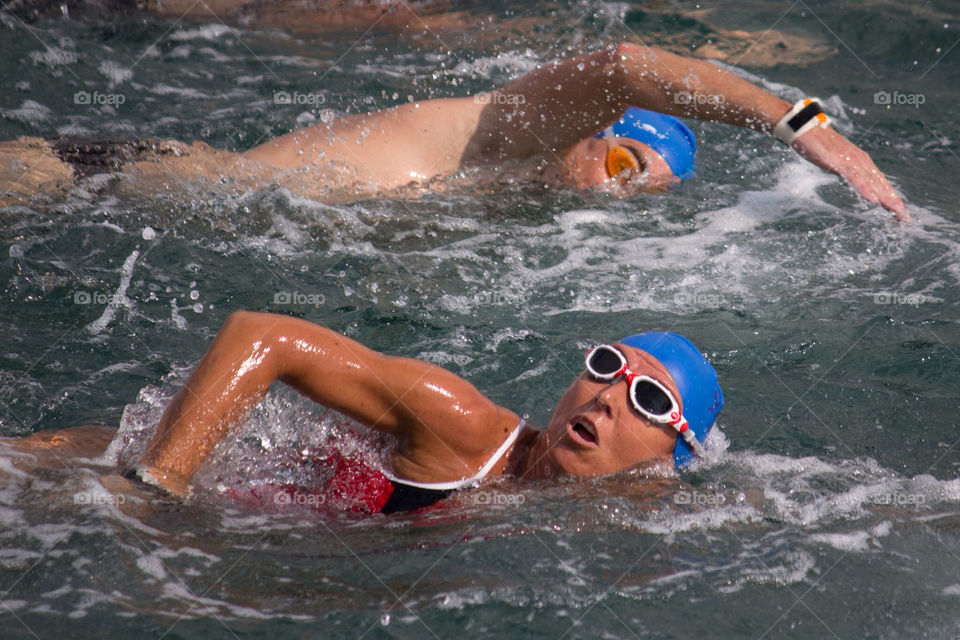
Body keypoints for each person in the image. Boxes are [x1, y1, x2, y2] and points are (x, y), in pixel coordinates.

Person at [2, 42, 907, 219]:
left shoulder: (518, 204)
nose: (609, 188)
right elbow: (629, 63)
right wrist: (801, 121)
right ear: (598, 132)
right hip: (112, 176)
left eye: (637, 195)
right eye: (624, 161)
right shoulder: (504, 130)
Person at [88, 311, 722, 514]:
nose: (607, 397)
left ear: (673, 458)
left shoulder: (629, 520)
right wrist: (156, 492)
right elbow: (260, 335)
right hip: (106, 472)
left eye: (650, 400)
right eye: (607, 366)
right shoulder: (467, 428)